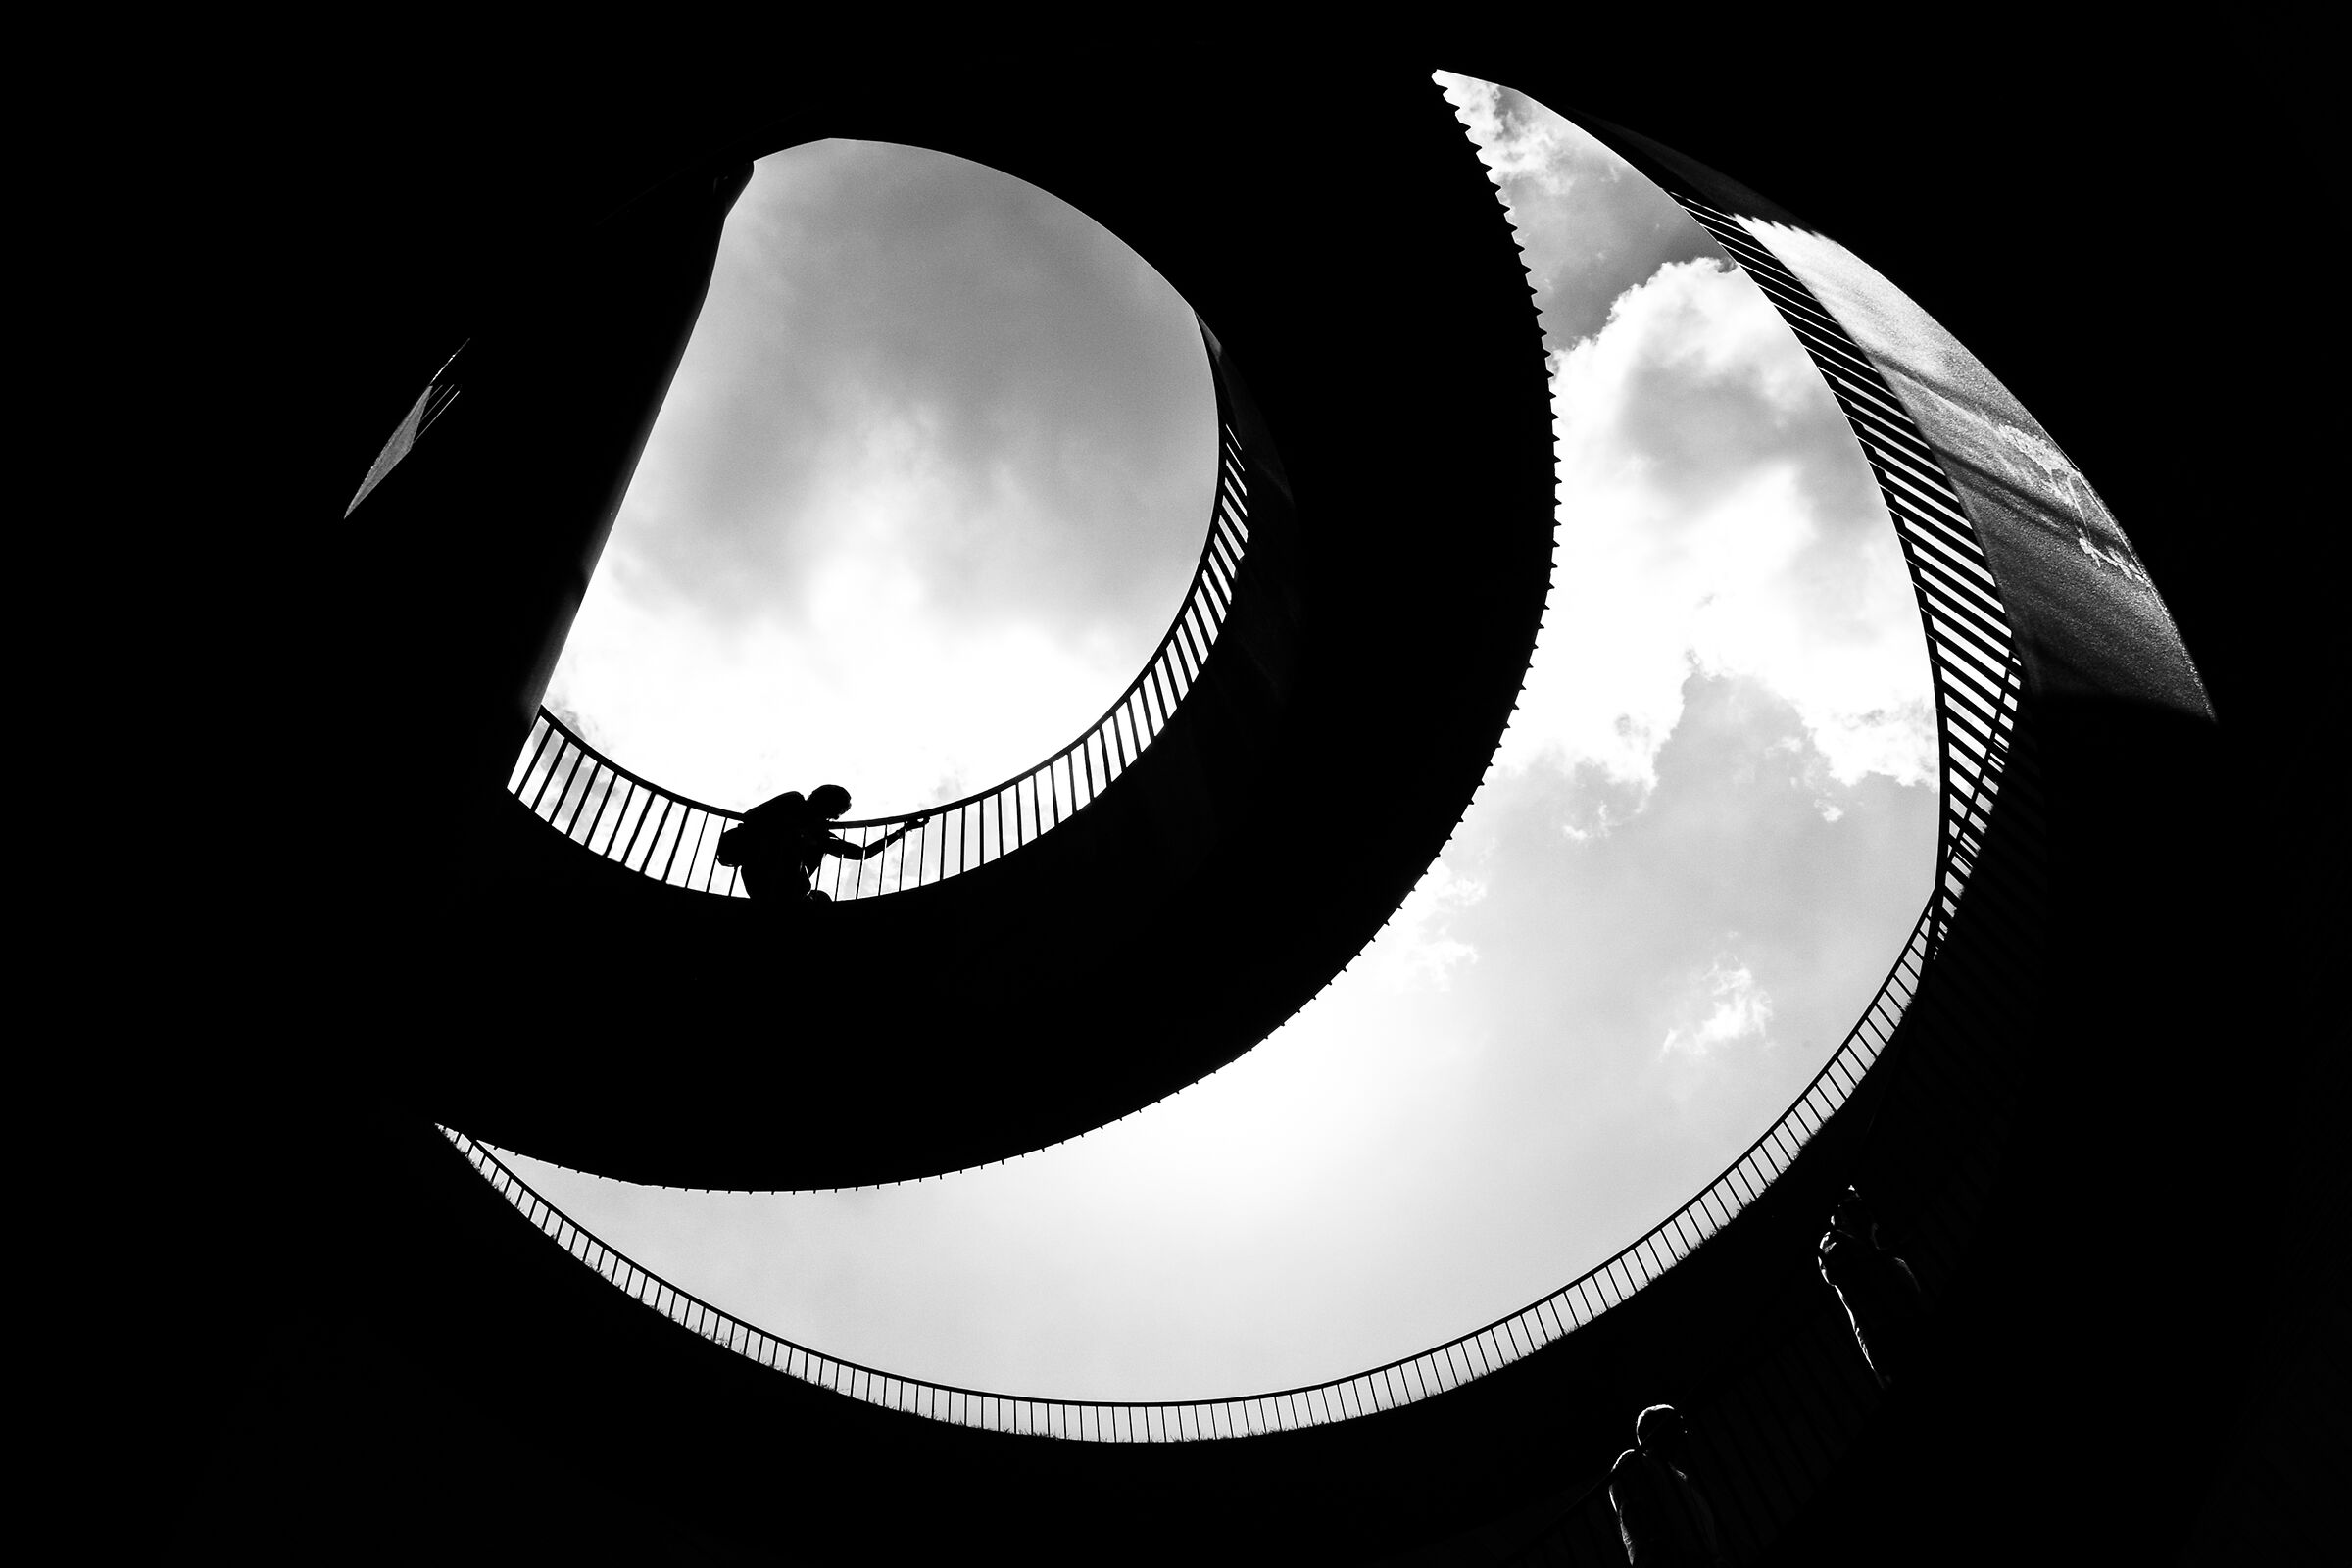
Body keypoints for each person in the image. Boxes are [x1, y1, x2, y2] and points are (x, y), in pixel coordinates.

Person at [715, 784, 925, 904]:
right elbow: (750, 817)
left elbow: (861, 853)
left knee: (819, 899)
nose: (834, 818)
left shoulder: (820, 835)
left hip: (779, 889)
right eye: (836, 813)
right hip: (761, 877)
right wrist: (796, 831)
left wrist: (902, 831)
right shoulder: (793, 802)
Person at [1817, 1187, 1927, 1391]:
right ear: (1841, 1212)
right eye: (1855, 1206)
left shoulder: (1869, 1233)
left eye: (1861, 1205)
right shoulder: (1833, 1240)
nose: (1864, 1211)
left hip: (1901, 1318)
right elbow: (1835, 1269)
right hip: (1883, 1331)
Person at [1607, 1404, 1726, 1567]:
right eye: (1677, 1429)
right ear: (1659, 1433)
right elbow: (1634, 1517)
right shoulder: (1635, 1463)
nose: (1684, 1435)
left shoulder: (1676, 1477)